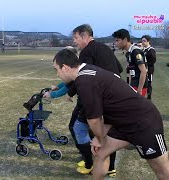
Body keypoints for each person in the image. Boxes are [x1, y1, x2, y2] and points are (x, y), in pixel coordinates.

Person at [52, 49, 169, 180]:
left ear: (65, 68)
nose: (57, 74)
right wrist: (99, 138)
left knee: (163, 173)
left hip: (144, 122)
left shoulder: (84, 82)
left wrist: (100, 139)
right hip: (123, 123)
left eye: (57, 69)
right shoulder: (85, 71)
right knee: (100, 154)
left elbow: (94, 120)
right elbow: (107, 108)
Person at [68, 24, 122, 176]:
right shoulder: (104, 48)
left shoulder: (86, 51)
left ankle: (89, 163)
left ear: (85, 36)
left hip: (99, 97)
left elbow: (83, 77)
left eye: (76, 37)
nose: (74, 41)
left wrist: (70, 93)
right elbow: (119, 68)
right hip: (113, 96)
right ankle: (111, 167)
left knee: (78, 127)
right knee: (106, 132)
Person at [112, 29, 148, 96]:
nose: (115, 43)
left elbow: (143, 71)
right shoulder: (129, 53)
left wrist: (139, 90)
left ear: (125, 40)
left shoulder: (135, 51)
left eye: (117, 40)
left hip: (138, 85)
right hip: (134, 84)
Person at [141, 35, 157, 100]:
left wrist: (146, 64)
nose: (143, 42)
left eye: (144, 41)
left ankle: (149, 97)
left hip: (149, 70)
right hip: (143, 69)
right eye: (142, 41)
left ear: (148, 41)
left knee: (149, 82)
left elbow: (153, 60)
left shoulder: (151, 50)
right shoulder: (143, 50)